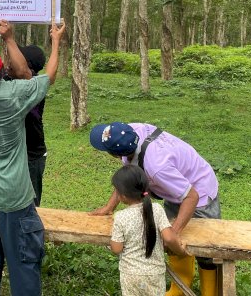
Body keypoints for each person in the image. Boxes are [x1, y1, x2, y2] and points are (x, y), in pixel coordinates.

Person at [0, 18, 66, 296]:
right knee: (23, 265)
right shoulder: (17, 93)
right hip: (14, 196)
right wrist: (56, 42)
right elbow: (50, 76)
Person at [89, 122, 220, 296]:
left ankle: (209, 292)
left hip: (200, 192)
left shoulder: (157, 167)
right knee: (171, 245)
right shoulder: (128, 132)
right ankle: (179, 289)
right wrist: (109, 207)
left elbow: (192, 196)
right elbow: (128, 177)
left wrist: (174, 231)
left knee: (206, 250)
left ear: (115, 154)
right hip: (175, 188)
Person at [110, 166, 187, 296]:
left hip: (130, 274)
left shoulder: (121, 216)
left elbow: (117, 248)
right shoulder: (157, 209)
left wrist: (111, 241)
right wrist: (180, 251)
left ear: (122, 196)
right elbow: (169, 238)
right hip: (154, 274)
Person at [0, 19, 48, 206]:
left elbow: (22, 72)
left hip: (31, 155)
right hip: (10, 153)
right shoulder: (7, 79)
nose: (11, 59)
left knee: (30, 203)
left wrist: (10, 39)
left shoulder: (34, 87)